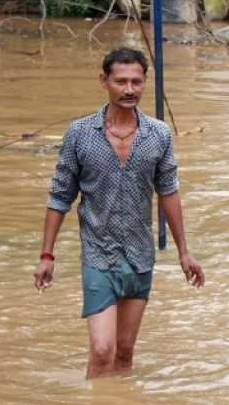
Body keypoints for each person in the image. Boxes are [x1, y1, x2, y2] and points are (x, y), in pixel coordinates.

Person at [32, 47, 205, 380]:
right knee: (102, 351)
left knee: (124, 353)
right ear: (104, 81)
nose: (129, 90)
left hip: (140, 256)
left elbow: (168, 191)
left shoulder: (159, 134)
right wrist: (46, 254)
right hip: (98, 255)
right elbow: (59, 197)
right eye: (121, 81)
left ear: (144, 84)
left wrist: (184, 252)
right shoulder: (80, 134)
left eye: (136, 82)